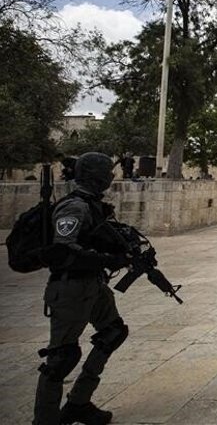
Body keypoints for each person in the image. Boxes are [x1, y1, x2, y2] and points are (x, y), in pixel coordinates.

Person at [34, 152, 131, 425]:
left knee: (113, 332)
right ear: (95, 175)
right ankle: (45, 420)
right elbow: (64, 248)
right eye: (106, 173)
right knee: (61, 357)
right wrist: (108, 259)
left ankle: (79, 401)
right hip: (70, 288)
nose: (111, 177)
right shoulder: (74, 207)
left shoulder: (93, 204)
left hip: (93, 284)